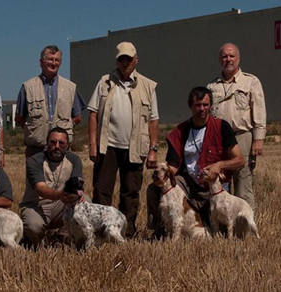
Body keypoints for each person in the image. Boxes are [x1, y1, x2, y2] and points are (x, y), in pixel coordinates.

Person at [146, 87, 245, 238]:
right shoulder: (180, 131)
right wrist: (160, 174)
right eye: (198, 105)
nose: (202, 109)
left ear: (210, 105)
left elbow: (240, 160)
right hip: (187, 185)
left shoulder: (221, 126)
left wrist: (220, 165)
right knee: (153, 189)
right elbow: (172, 165)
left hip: (212, 189)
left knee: (219, 235)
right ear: (190, 107)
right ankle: (162, 229)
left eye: (205, 105)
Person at [87, 41, 159, 238]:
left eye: (129, 59)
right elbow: (92, 114)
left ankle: (126, 232)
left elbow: (153, 120)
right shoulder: (104, 82)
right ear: (117, 61)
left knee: (131, 192)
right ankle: (101, 233)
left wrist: (153, 149)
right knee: (102, 190)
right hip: (107, 146)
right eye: (121, 59)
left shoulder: (147, 86)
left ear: (136, 59)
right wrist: (93, 145)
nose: (125, 63)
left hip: (134, 147)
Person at [207, 43, 267, 210]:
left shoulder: (251, 82)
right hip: (220, 140)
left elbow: (260, 112)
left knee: (243, 185)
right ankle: (224, 232)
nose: (228, 59)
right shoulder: (212, 87)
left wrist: (258, 139)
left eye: (232, 56)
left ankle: (245, 232)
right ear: (220, 60)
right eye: (225, 56)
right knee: (220, 186)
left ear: (238, 58)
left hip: (242, 136)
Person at [15, 45, 86, 158]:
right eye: (50, 59)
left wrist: (64, 128)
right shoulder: (27, 87)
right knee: (36, 176)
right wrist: (35, 131)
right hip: (36, 150)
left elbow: (77, 117)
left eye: (57, 60)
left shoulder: (70, 87)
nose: (53, 63)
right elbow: (19, 118)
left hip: (62, 149)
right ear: (41, 62)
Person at [20, 127, 82, 247]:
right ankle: (37, 243)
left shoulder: (74, 159)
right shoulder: (34, 160)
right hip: (37, 205)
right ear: (47, 144)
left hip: (61, 205)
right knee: (34, 227)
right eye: (53, 142)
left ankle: (66, 236)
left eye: (61, 143)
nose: (57, 146)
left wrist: (78, 194)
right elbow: (40, 189)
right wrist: (60, 195)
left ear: (68, 145)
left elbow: (77, 185)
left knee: (85, 202)